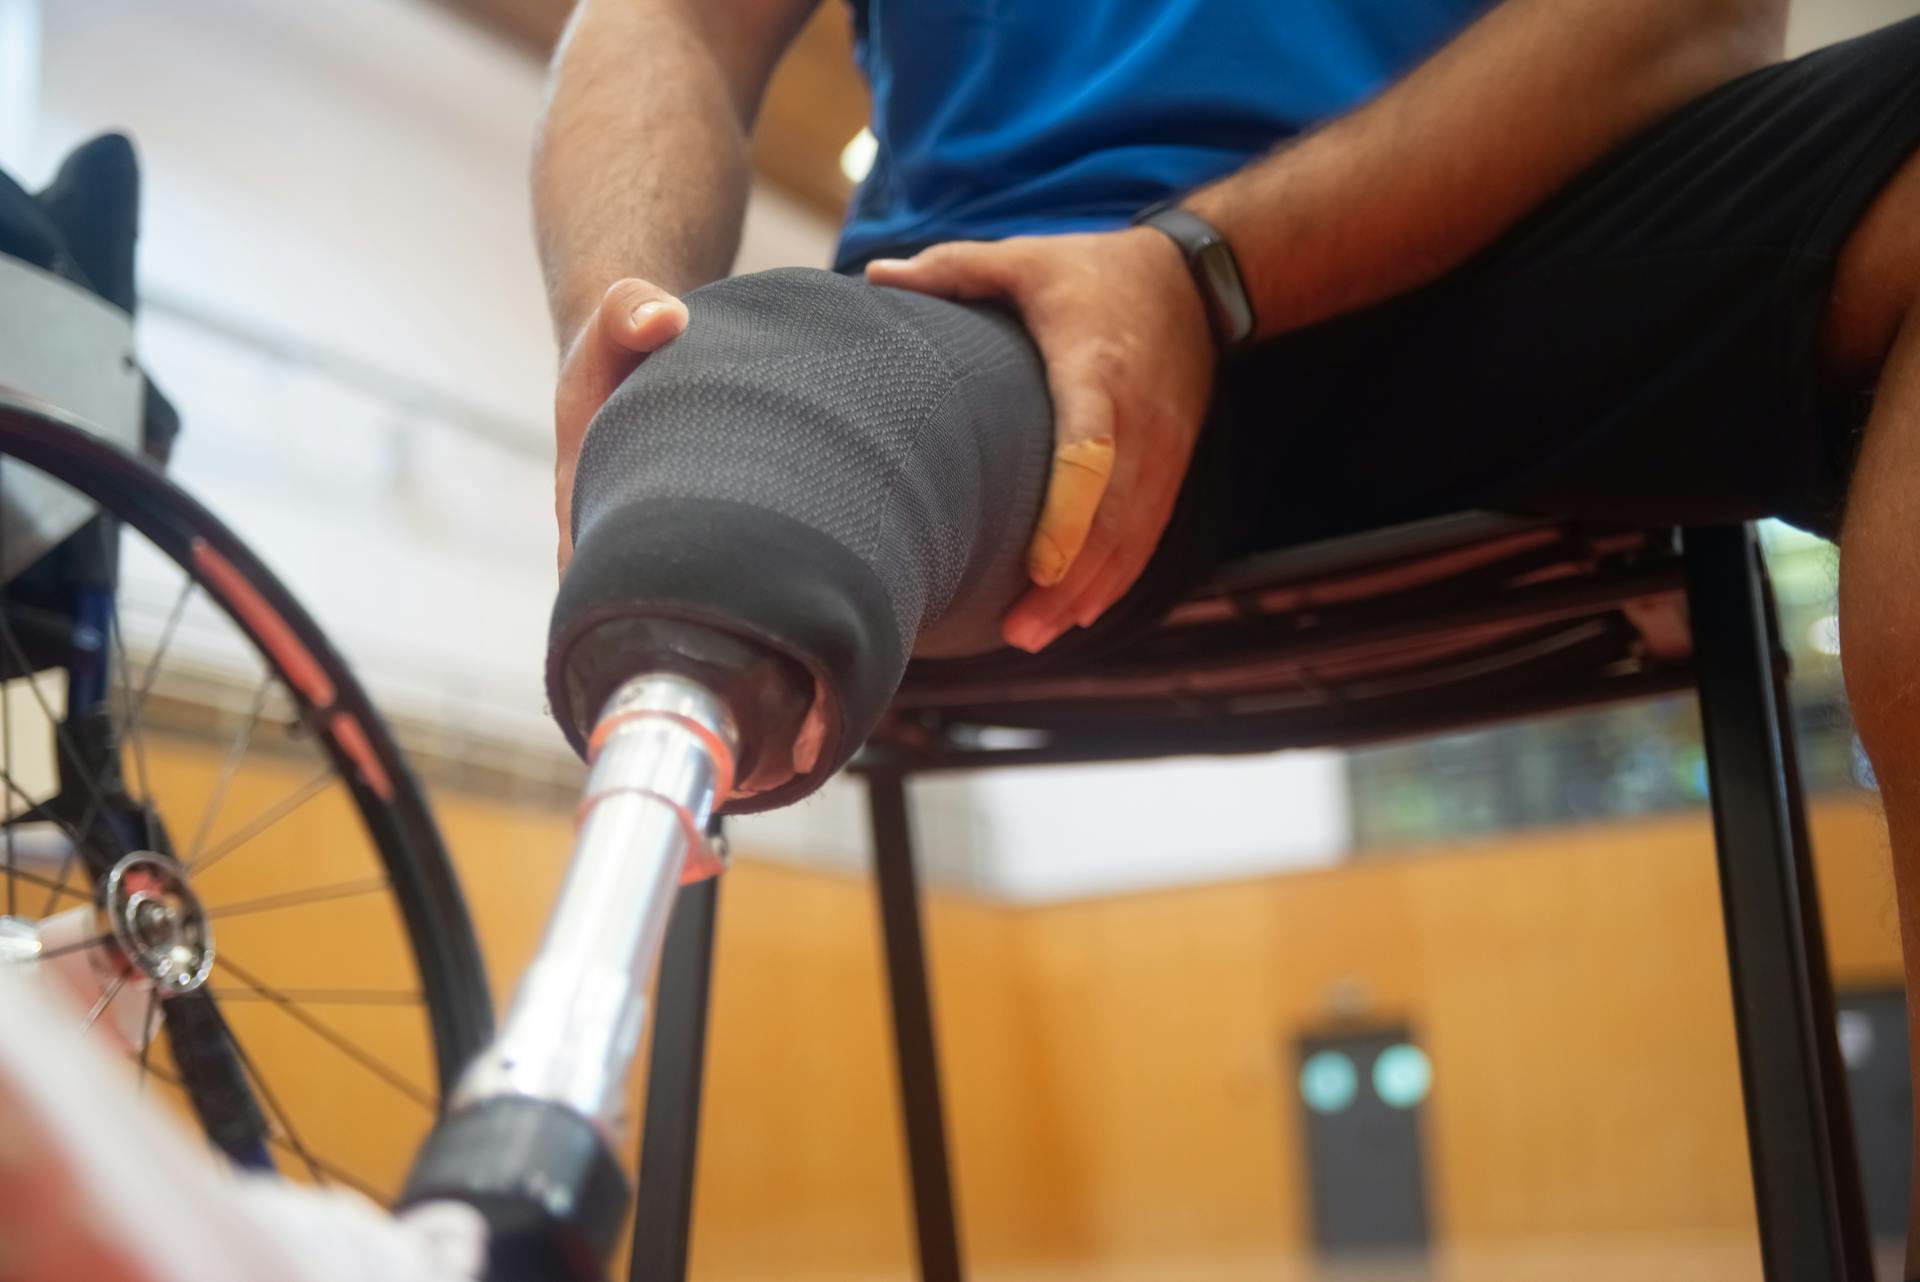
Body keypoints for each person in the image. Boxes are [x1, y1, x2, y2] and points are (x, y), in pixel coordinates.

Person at [535, 0, 1920, 1261]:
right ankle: (517, 1154)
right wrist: (638, 327)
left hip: (1518, 220)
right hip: (1018, 315)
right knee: (726, 491)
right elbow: (668, 22)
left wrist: (1204, 270)